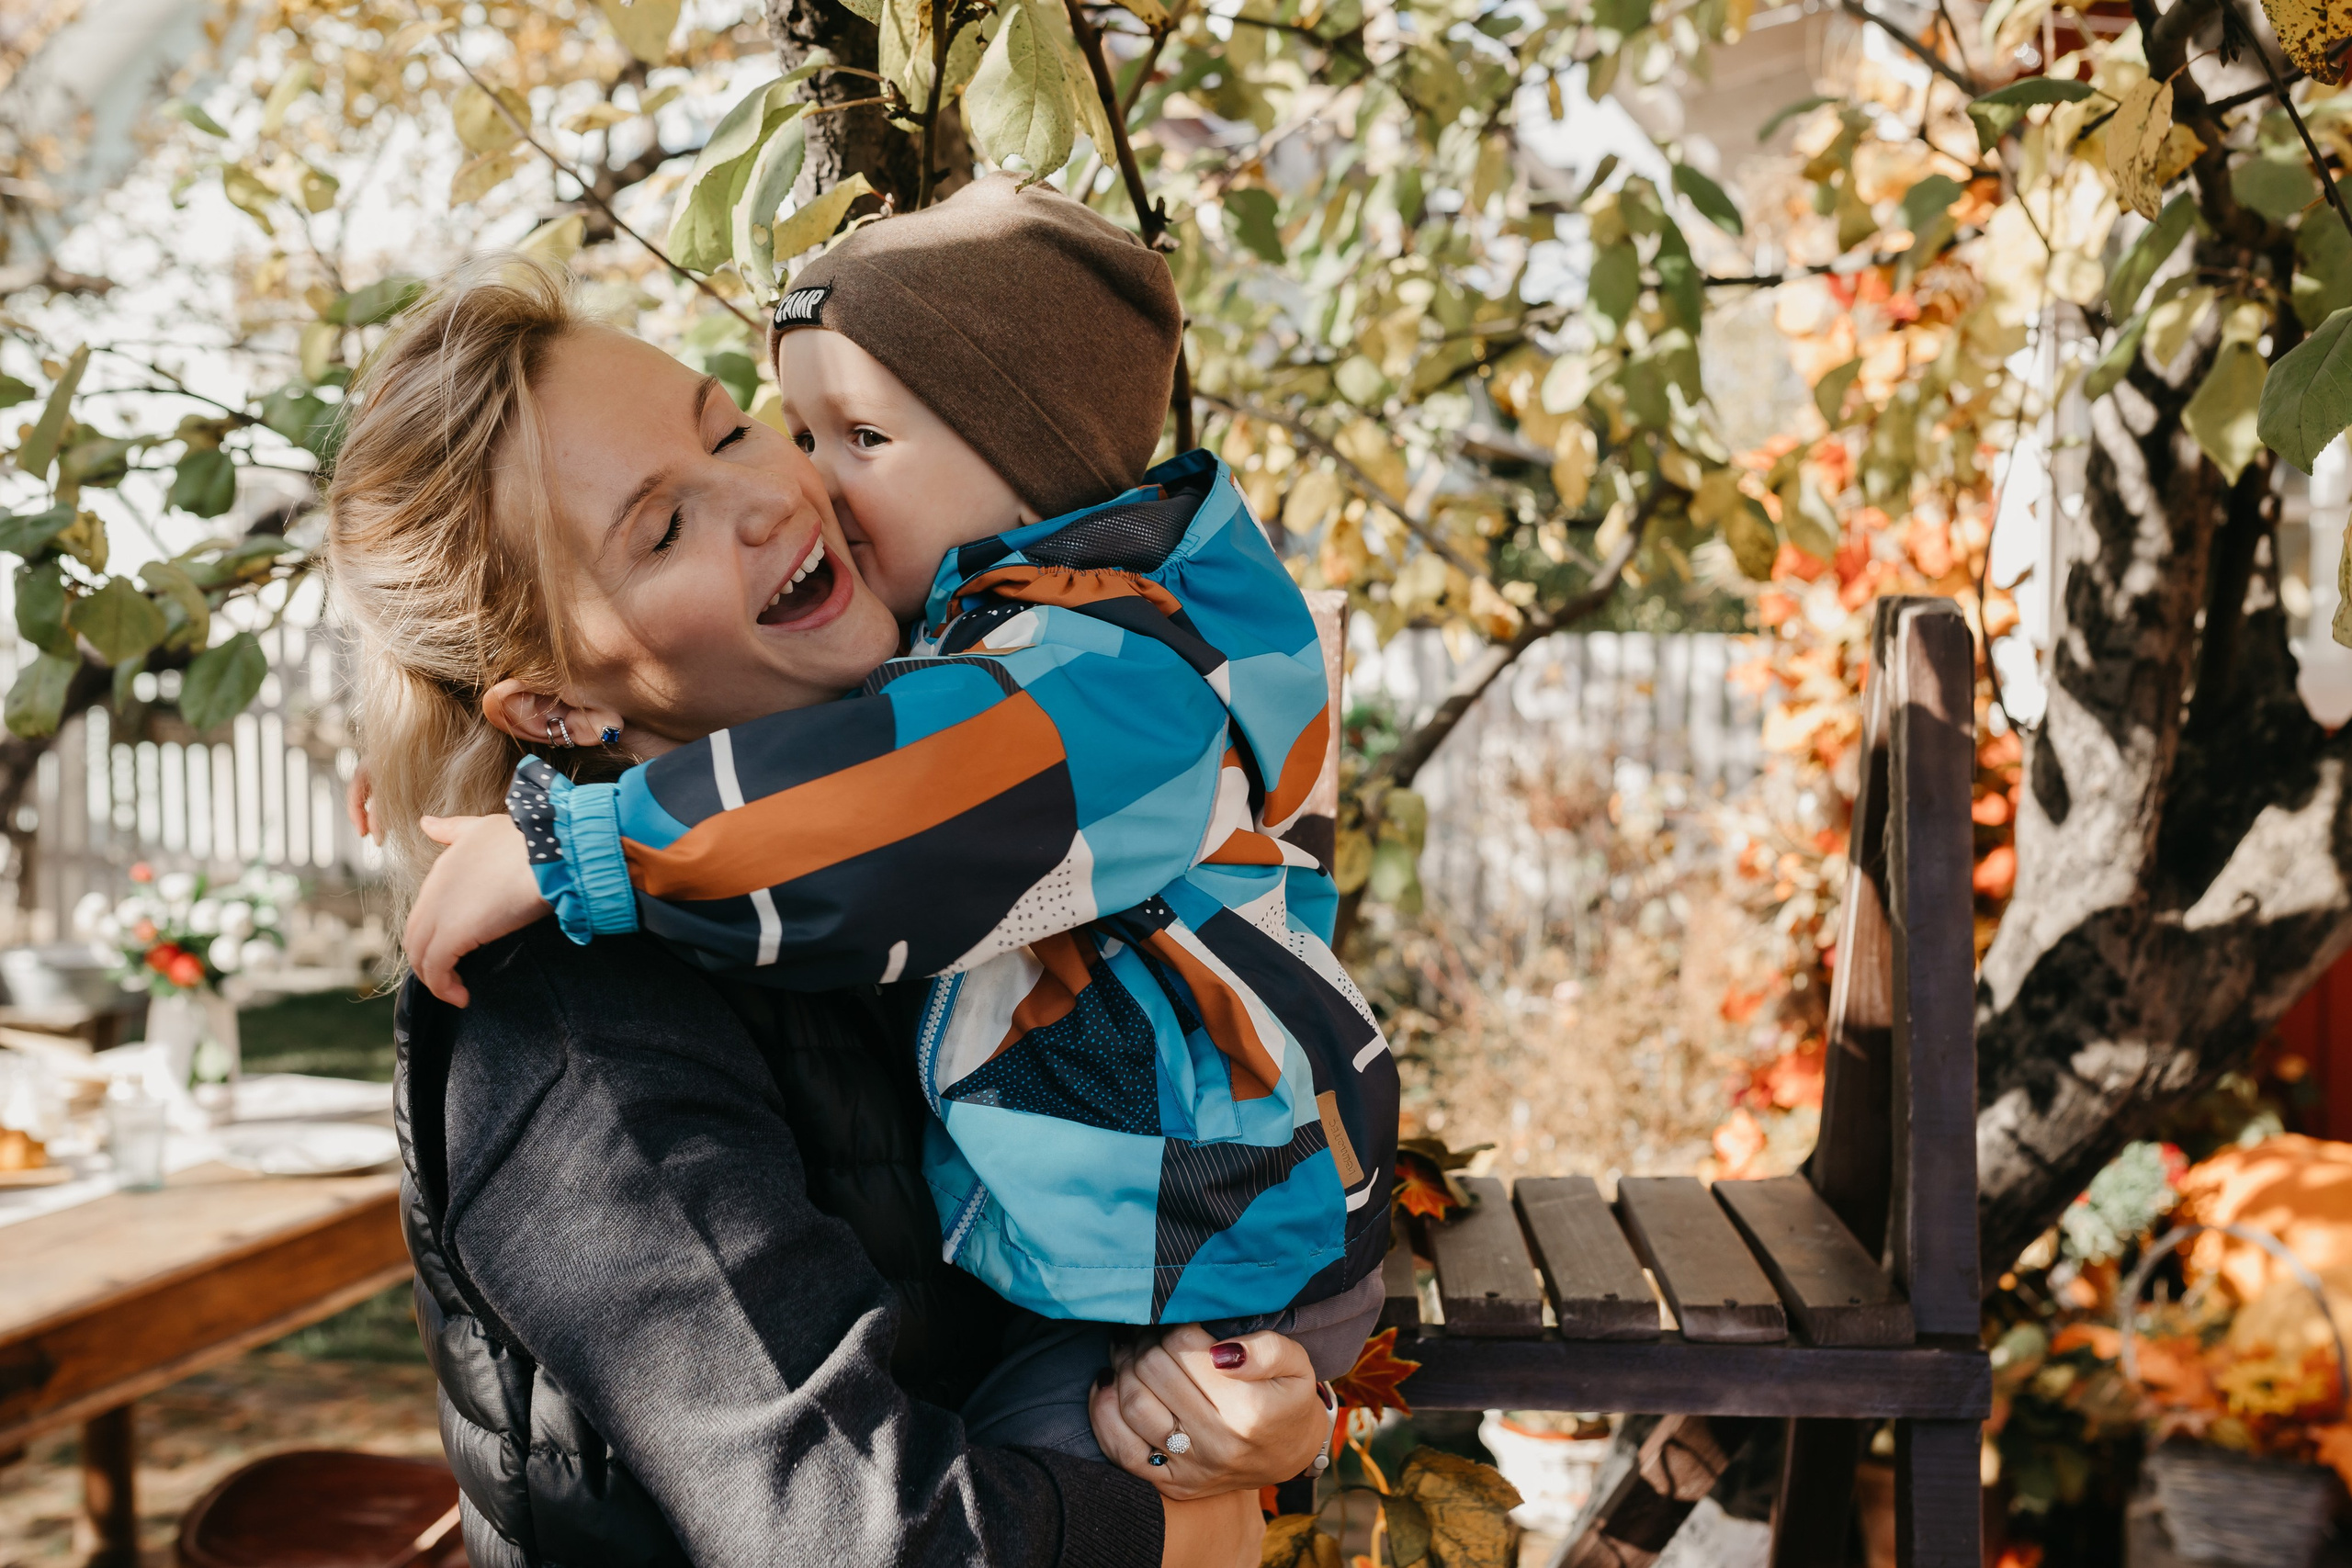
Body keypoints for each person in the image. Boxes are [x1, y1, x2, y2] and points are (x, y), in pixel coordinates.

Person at [329, 254, 1325, 1566]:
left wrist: (1254, 1423)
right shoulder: (571, 1016)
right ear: (558, 710)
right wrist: (1183, 1532)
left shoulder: (933, 859)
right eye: (662, 529)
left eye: (734, 428)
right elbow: (856, 1533)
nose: (766, 495)